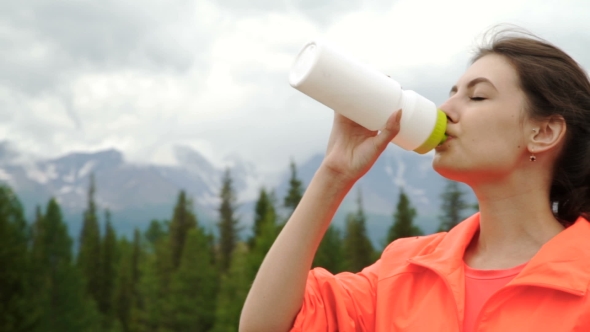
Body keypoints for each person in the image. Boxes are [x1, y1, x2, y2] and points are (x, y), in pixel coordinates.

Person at [239, 27, 590, 332]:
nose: (444, 109)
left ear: (544, 132)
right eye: (452, 92)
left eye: (477, 96)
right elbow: (269, 326)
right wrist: (335, 173)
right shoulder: (404, 270)